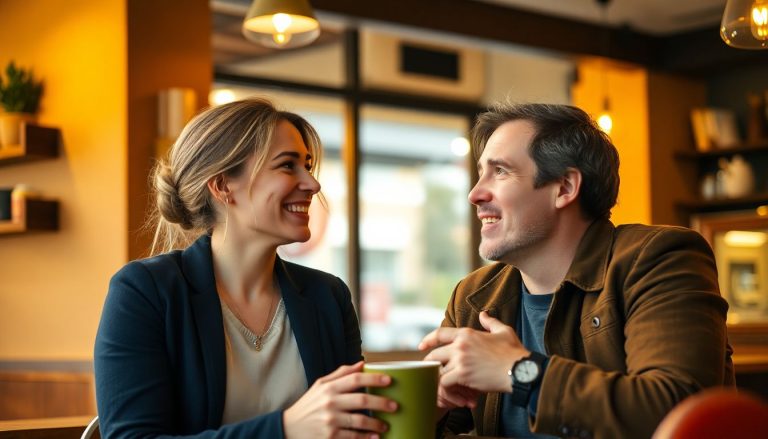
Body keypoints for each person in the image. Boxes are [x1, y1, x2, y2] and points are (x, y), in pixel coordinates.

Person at [418, 102, 734, 439]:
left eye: (501, 171)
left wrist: (518, 370)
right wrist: (425, 410)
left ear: (565, 188)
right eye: (481, 172)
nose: (475, 193)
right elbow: (445, 423)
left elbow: (678, 411)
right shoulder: (474, 296)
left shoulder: (658, 258)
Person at [94, 98, 396, 438]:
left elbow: (358, 423)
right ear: (223, 185)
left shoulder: (329, 295)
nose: (313, 184)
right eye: (287, 166)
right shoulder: (144, 292)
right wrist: (284, 429)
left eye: (307, 166)